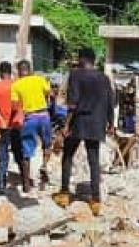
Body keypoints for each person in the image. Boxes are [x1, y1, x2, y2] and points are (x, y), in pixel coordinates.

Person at [57, 48, 115, 212]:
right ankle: (95, 200)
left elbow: (73, 103)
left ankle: (64, 193)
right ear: (94, 60)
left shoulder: (75, 74)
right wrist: (111, 124)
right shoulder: (104, 78)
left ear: (82, 59)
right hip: (97, 124)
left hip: (78, 122)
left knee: (68, 156)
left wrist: (66, 125)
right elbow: (111, 101)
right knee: (93, 160)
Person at [12, 59, 54, 181]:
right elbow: (51, 94)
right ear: (29, 70)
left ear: (19, 71)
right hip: (44, 116)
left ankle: (26, 182)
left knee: (27, 151)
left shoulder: (16, 85)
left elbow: (15, 107)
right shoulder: (40, 80)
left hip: (29, 118)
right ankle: (44, 165)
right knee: (47, 144)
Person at [0, 61, 29, 191]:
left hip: (1, 126)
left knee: (2, 156)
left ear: (0, 72)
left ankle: (1, 185)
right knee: (19, 154)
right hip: (17, 125)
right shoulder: (17, 85)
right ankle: (25, 183)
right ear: (10, 72)